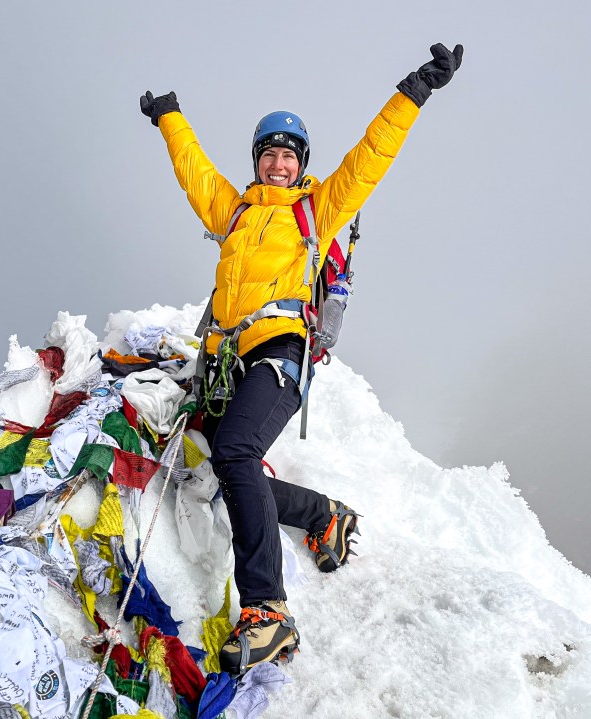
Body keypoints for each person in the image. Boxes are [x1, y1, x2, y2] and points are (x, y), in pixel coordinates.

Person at [139, 43, 464, 675]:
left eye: (289, 154)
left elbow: (370, 158)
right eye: (269, 153)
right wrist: (170, 118)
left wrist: (413, 92)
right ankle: (325, 517)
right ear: (258, 161)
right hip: (227, 365)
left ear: (301, 163)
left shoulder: (318, 209)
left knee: (233, 453)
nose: (279, 163)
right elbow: (196, 173)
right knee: (219, 476)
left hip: (281, 352)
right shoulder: (234, 212)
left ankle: (269, 611)